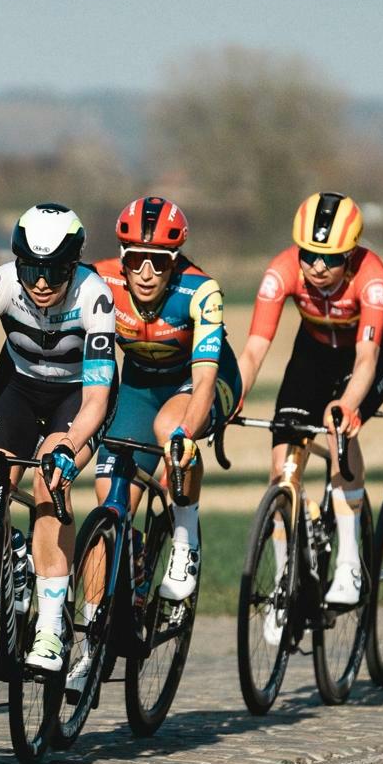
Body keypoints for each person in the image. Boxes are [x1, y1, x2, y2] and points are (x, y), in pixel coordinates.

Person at [0, 203, 117, 671]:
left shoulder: (95, 296)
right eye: (31, 268)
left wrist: (69, 443)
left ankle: (49, 629)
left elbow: (98, 400)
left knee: (49, 485)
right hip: (19, 387)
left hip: (78, 397)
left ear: (74, 264)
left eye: (54, 270)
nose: (41, 282)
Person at [237, 192, 383, 606]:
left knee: (340, 430)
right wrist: (232, 396)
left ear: (352, 253)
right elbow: (254, 349)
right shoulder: (281, 271)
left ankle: (348, 564)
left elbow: (367, 357)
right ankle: (282, 584)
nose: (318, 267)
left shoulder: (372, 276)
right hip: (312, 352)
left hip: (367, 354)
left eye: (331, 258)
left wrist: (347, 404)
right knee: (281, 468)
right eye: (309, 255)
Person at [91, 196, 242, 602]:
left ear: (174, 261)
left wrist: (185, 435)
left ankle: (184, 537)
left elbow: (206, 376)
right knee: (108, 493)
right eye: (136, 259)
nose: (145, 272)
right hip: (140, 386)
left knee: (171, 433)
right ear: (122, 256)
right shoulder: (101, 281)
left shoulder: (201, 290)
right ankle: (137, 558)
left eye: (158, 261)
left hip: (201, 379)